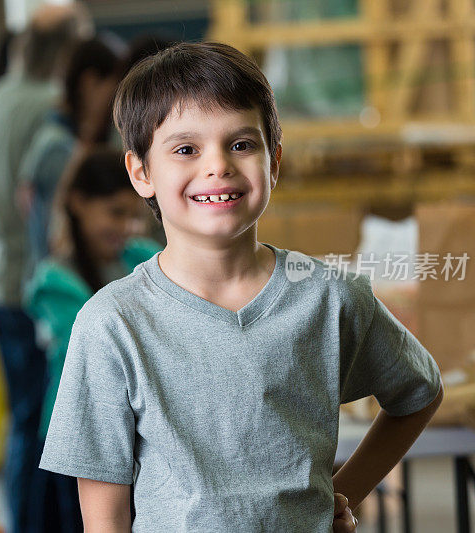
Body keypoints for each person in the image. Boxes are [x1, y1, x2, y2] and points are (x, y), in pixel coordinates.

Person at [38, 42, 444, 532]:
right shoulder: (111, 324)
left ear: (273, 163)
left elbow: (418, 392)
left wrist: (343, 495)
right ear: (141, 172)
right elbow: (105, 512)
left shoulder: (330, 297)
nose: (218, 166)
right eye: (186, 149)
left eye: (242, 144)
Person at [0, 5, 91, 533]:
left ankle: (23, 520)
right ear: (65, 53)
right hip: (26, 284)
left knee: (21, 417)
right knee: (41, 421)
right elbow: (40, 196)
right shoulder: (47, 107)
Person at [23, 149, 158, 531]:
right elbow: (99, 351)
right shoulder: (54, 281)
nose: (128, 226)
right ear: (79, 203)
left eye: (135, 215)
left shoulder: (141, 255)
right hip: (79, 430)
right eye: (116, 212)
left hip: (135, 425)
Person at [17, 37, 120, 272]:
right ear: (89, 83)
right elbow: (60, 229)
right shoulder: (58, 145)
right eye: (112, 88)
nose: (115, 101)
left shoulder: (63, 137)